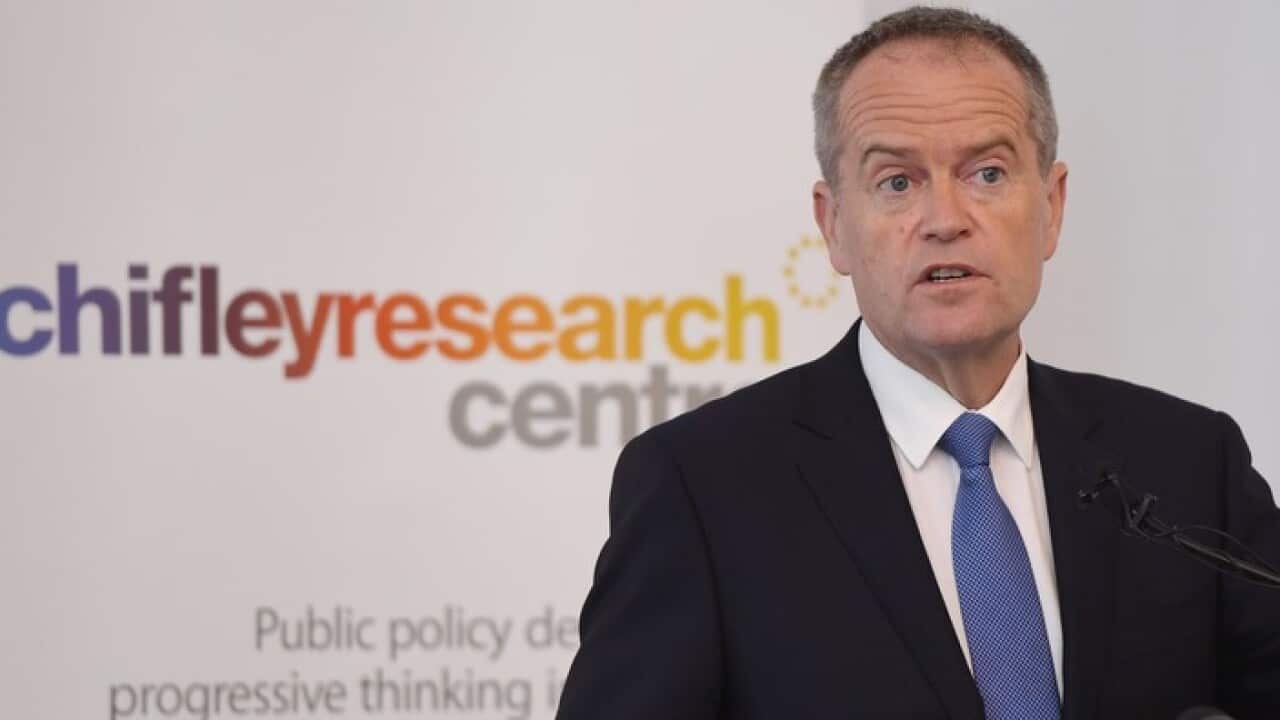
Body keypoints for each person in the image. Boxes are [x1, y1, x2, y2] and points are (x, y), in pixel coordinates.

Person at [555, 6, 1280, 719]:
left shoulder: (1189, 462)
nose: (945, 218)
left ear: (1052, 206)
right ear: (833, 225)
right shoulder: (701, 487)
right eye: (897, 182)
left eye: (988, 174)